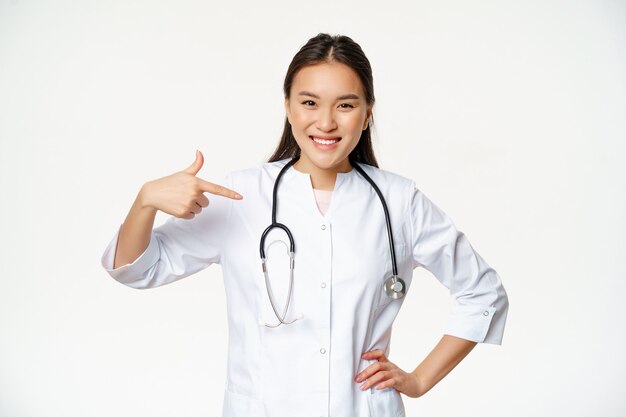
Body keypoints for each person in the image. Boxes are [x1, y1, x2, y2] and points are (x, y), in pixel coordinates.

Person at [101, 33, 508, 417]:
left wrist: (419, 380)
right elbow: (137, 269)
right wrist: (145, 203)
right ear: (288, 107)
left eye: (345, 105)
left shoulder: (399, 202)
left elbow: (482, 292)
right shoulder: (241, 196)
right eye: (310, 103)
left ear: (367, 114)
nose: (326, 123)